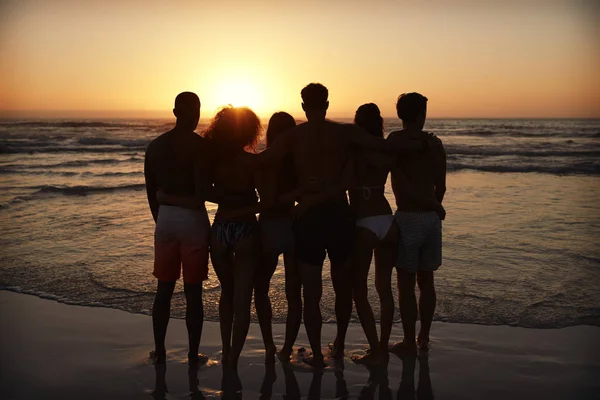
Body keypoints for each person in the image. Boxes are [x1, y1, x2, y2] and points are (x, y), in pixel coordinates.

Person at [249, 83, 440, 368]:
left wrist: (223, 156)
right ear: (327, 104)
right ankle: (338, 346)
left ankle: (316, 352)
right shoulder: (344, 133)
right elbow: (385, 145)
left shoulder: (293, 136)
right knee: (344, 288)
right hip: (340, 215)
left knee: (311, 294)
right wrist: (423, 143)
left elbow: (263, 160)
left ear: (303, 106)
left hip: (310, 219)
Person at [144, 92, 212, 366]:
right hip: (193, 219)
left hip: (166, 220)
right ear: (196, 113)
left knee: (164, 289)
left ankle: (159, 353)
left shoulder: (156, 146)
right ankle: (192, 354)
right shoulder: (200, 147)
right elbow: (202, 193)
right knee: (193, 292)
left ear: (175, 112)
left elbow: (151, 192)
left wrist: (161, 217)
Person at [387, 93, 446, 356]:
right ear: (421, 114)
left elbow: (398, 178)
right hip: (431, 219)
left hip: (409, 216)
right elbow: (441, 186)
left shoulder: (395, 141)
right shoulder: (435, 144)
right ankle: (424, 337)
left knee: (406, 282)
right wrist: (434, 205)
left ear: (400, 114)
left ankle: (409, 341)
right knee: (427, 281)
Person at [347, 103, 398, 366]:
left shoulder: (354, 151)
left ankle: (375, 349)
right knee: (384, 289)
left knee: (359, 291)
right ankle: (384, 344)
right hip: (387, 220)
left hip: (364, 222)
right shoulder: (384, 149)